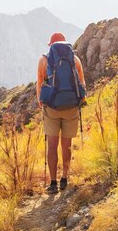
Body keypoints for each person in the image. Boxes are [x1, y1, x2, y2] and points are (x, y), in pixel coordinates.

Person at [37, 32, 86, 194]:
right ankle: (65, 178)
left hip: (52, 108)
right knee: (67, 145)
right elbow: (82, 84)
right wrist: (80, 101)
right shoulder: (75, 60)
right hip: (71, 108)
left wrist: (41, 102)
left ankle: (52, 183)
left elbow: (40, 84)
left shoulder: (44, 60)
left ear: (51, 45)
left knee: (52, 145)